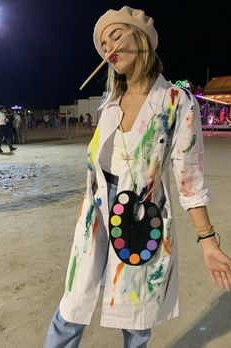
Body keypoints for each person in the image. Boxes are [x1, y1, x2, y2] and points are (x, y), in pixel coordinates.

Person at [44, 6, 231, 348]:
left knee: (136, 315)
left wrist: (208, 241)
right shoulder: (109, 101)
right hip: (96, 213)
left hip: (143, 214)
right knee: (72, 305)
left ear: (142, 40)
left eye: (116, 36)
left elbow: (189, 177)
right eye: (103, 44)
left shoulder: (176, 102)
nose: (108, 48)